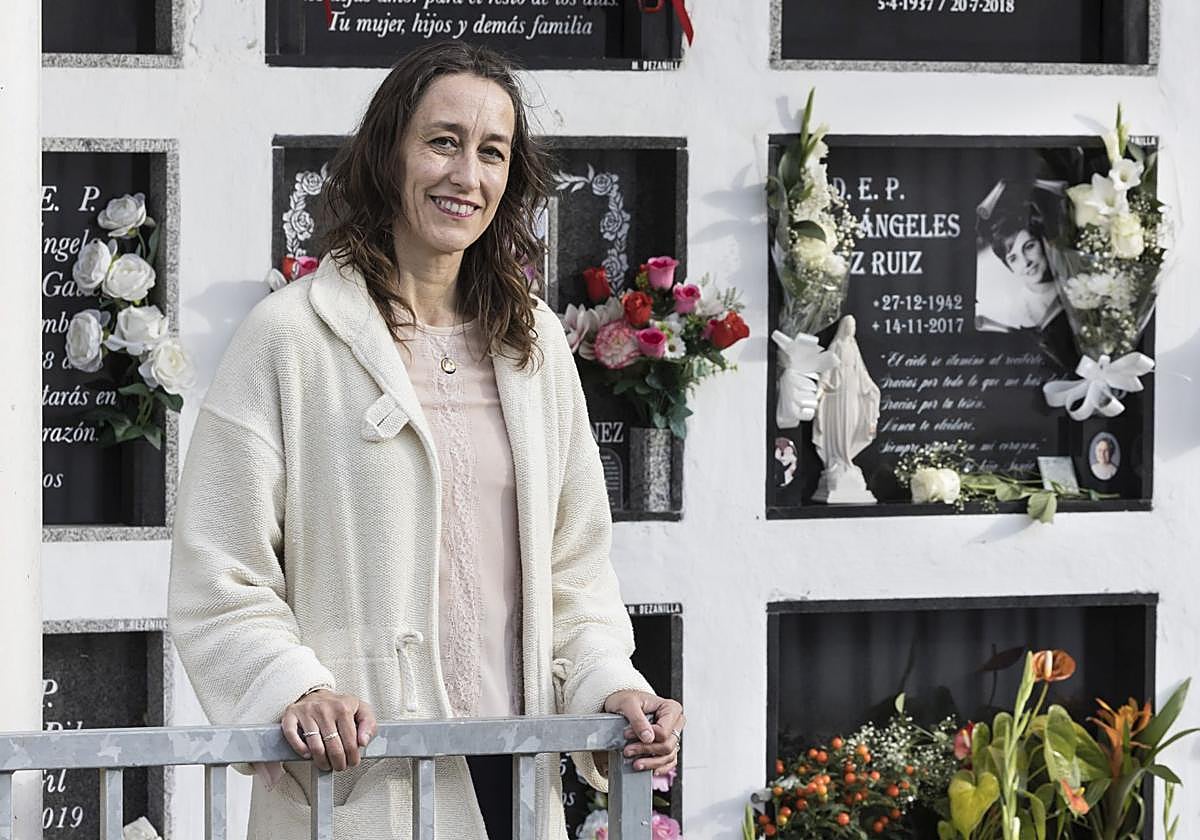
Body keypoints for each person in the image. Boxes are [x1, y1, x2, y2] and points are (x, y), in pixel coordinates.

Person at [168, 41, 684, 840]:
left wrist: (610, 685)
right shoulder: (289, 338)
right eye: (442, 141)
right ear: (389, 153)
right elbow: (218, 569)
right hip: (360, 782)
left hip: (516, 770)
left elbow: (575, 572)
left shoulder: (535, 344)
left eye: (491, 152)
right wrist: (292, 688)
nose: (466, 176)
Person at [974, 180, 1062, 333]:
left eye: (1029, 247)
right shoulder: (1022, 313)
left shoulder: (1068, 274)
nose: (1026, 262)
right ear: (1009, 267)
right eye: (1013, 258)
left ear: (1043, 242)